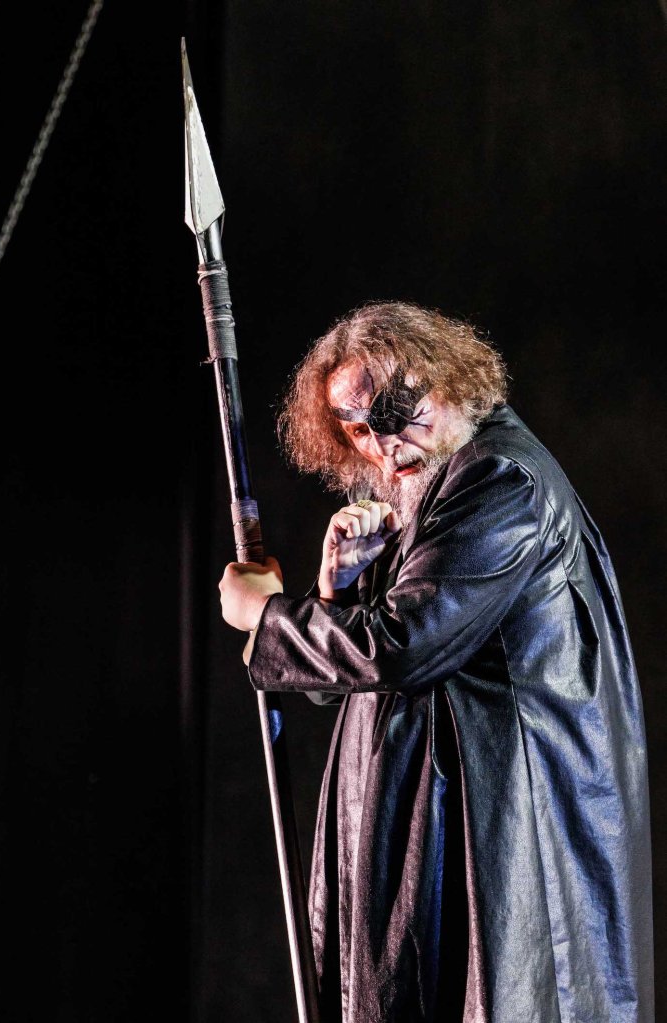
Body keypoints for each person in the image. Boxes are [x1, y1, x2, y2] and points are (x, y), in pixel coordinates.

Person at [219, 302, 653, 1023]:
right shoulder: (440, 490)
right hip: (438, 846)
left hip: (492, 850)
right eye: (357, 428)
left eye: (396, 411)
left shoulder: (500, 482)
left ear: (451, 380)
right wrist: (338, 591)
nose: (383, 444)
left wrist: (265, 613)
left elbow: (402, 646)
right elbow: (374, 671)